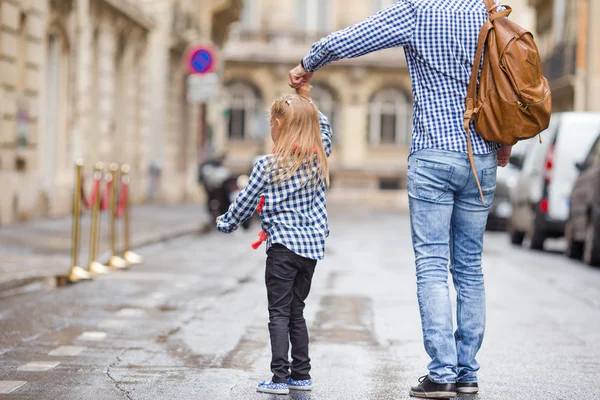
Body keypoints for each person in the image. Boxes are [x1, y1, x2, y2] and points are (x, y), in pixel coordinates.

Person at [288, 1, 512, 398]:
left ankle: (441, 372)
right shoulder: (487, 12)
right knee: (469, 267)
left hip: (433, 155)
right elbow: (507, 78)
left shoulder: (417, 11)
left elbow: (354, 39)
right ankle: (466, 373)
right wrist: (504, 142)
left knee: (431, 265)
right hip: (481, 154)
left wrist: (309, 62)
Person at [216, 84, 333, 395]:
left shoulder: (266, 165)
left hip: (282, 249)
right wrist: (307, 100)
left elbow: (246, 201)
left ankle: (279, 378)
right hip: (310, 251)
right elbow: (326, 129)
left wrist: (226, 222)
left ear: (278, 126)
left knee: (278, 312)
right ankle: (302, 374)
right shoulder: (319, 159)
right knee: (297, 310)